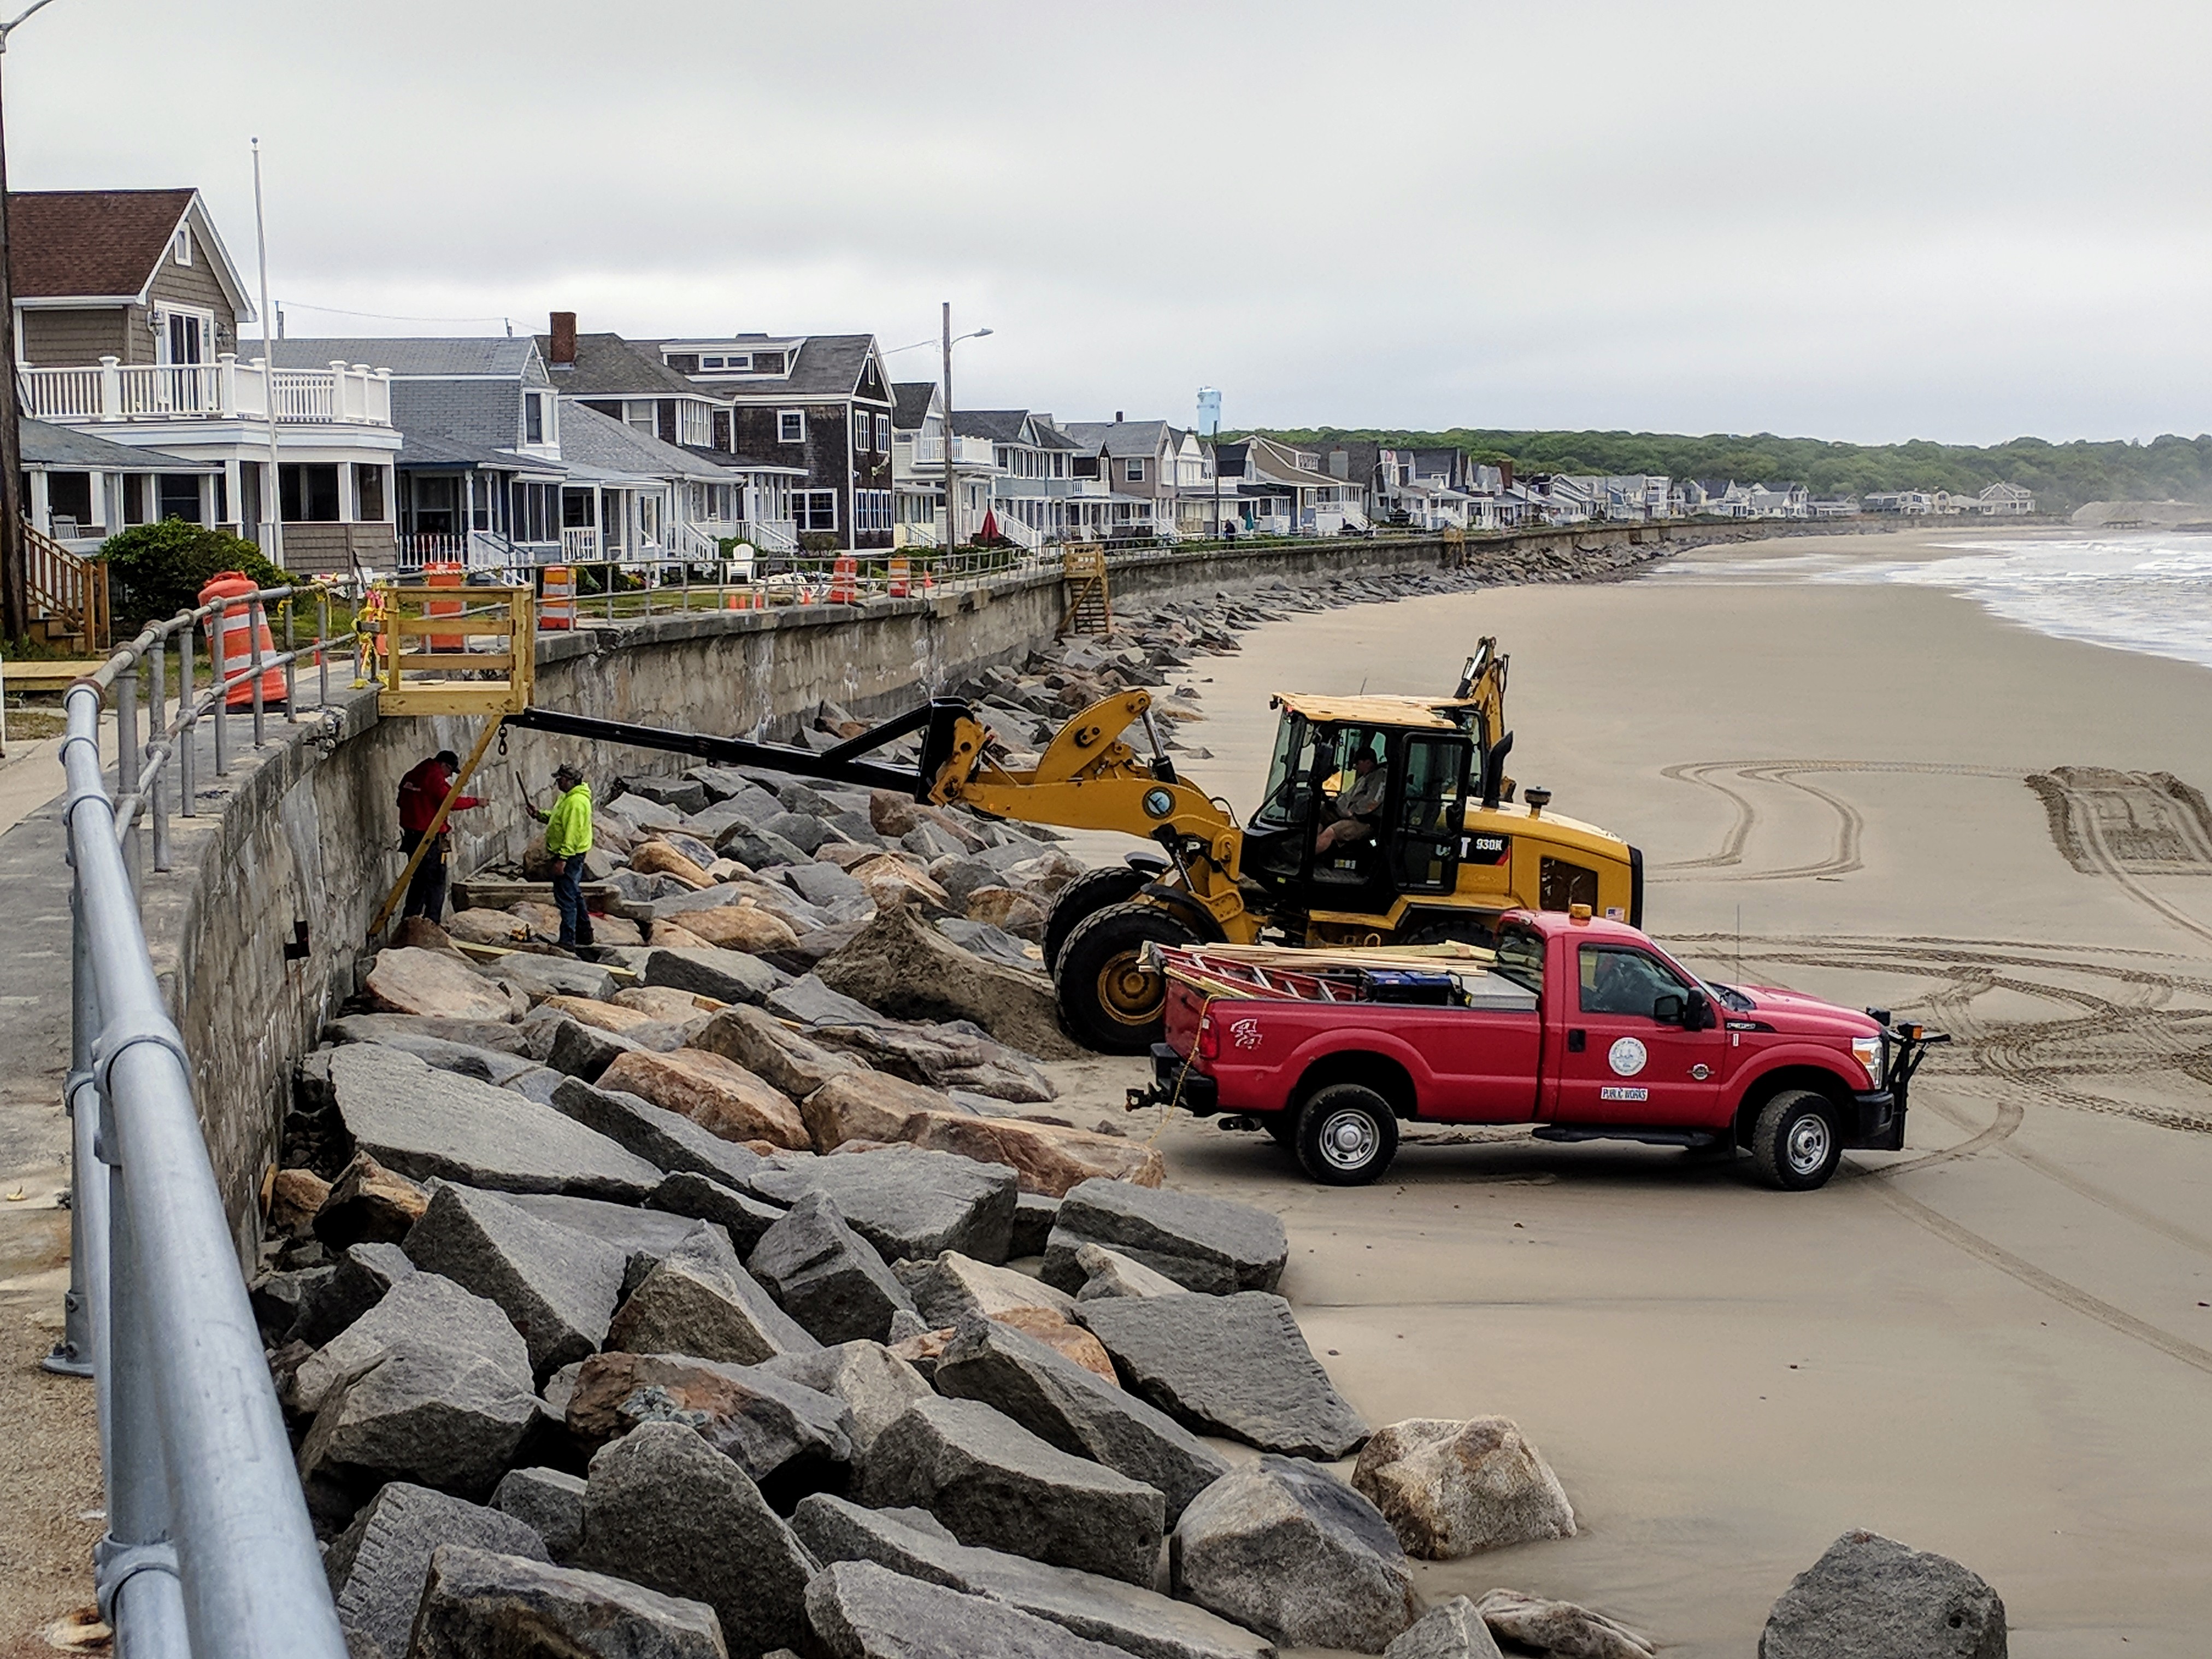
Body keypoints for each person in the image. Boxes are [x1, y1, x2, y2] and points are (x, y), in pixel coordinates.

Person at [395, 749, 483, 922]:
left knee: (419, 878)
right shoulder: (434, 777)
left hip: (411, 835)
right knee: (436, 881)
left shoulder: (414, 774)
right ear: (444, 765)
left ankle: (410, 918)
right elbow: (451, 802)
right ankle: (432, 921)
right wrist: (476, 802)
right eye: (450, 771)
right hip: (429, 837)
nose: (449, 776)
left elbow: (401, 801)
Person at [532, 762, 595, 948]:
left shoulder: (576, 803)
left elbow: (572, 834)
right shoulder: (569, 798)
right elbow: (558, 819)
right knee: (574, 893)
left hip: (571, 855)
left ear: (568, 781)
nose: (557, 783)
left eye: (559, 779)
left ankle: (568, 940)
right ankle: (585, 934)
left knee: (566, 897)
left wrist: (562, 860)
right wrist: (540, 815)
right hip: (572, 855)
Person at [1315, 746, 1387, 853]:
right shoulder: (1366, 777)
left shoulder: (1379, 777)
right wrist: (1334, 801)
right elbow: (1351, 797)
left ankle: (1305, 859)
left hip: (1363, 821)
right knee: (1317, 812)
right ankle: (1309, 844)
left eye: (1357, 764)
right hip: (1345, 814)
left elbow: (1372, 802)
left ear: (1367, 762)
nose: (1355, 767)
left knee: (1332, 831)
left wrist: (1352, 813)